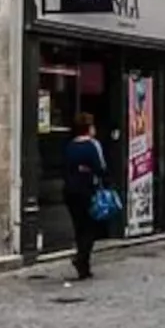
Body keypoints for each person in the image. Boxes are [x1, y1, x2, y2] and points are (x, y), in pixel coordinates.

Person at [62, 113, 108, 281]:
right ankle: (81, 259)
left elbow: (67, 168)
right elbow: (101, 168)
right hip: (87, 191)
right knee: (90, 228)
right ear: (89, 129)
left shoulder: (70, 146)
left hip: (70, 191)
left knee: (79, 227)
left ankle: (83, 265)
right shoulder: (92, 146)